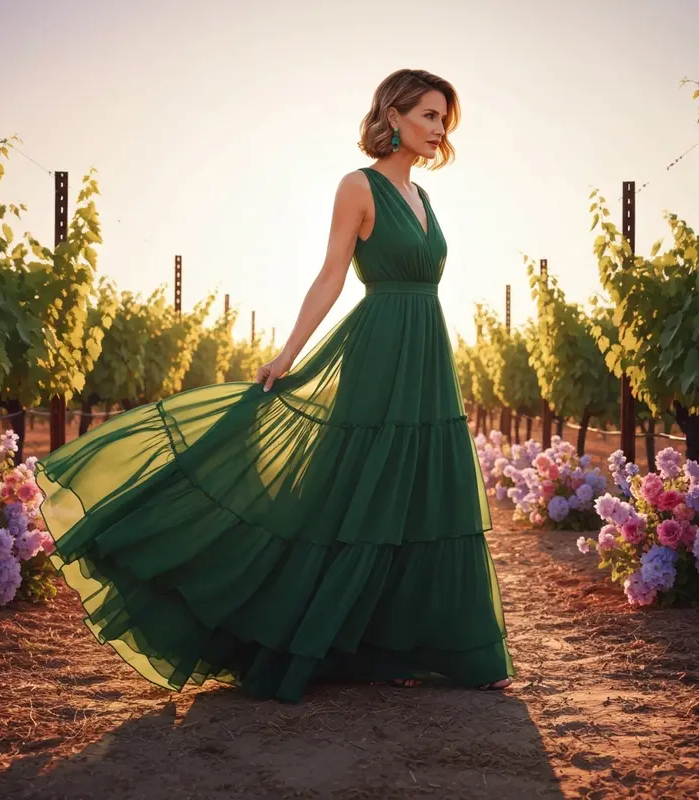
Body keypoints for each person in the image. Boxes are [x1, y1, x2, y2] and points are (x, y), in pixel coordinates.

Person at [36, 68, 515, 702]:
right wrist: (288, 353)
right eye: (428, 114)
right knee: (360, 495)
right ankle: (298, 628)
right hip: (377, 352)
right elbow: (330, 276)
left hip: (429, 350)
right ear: (393, 115)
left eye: (444, 119)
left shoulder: (426, 199)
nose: (438, 129)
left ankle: (415, 644)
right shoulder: (358, 186)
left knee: (423, 494)